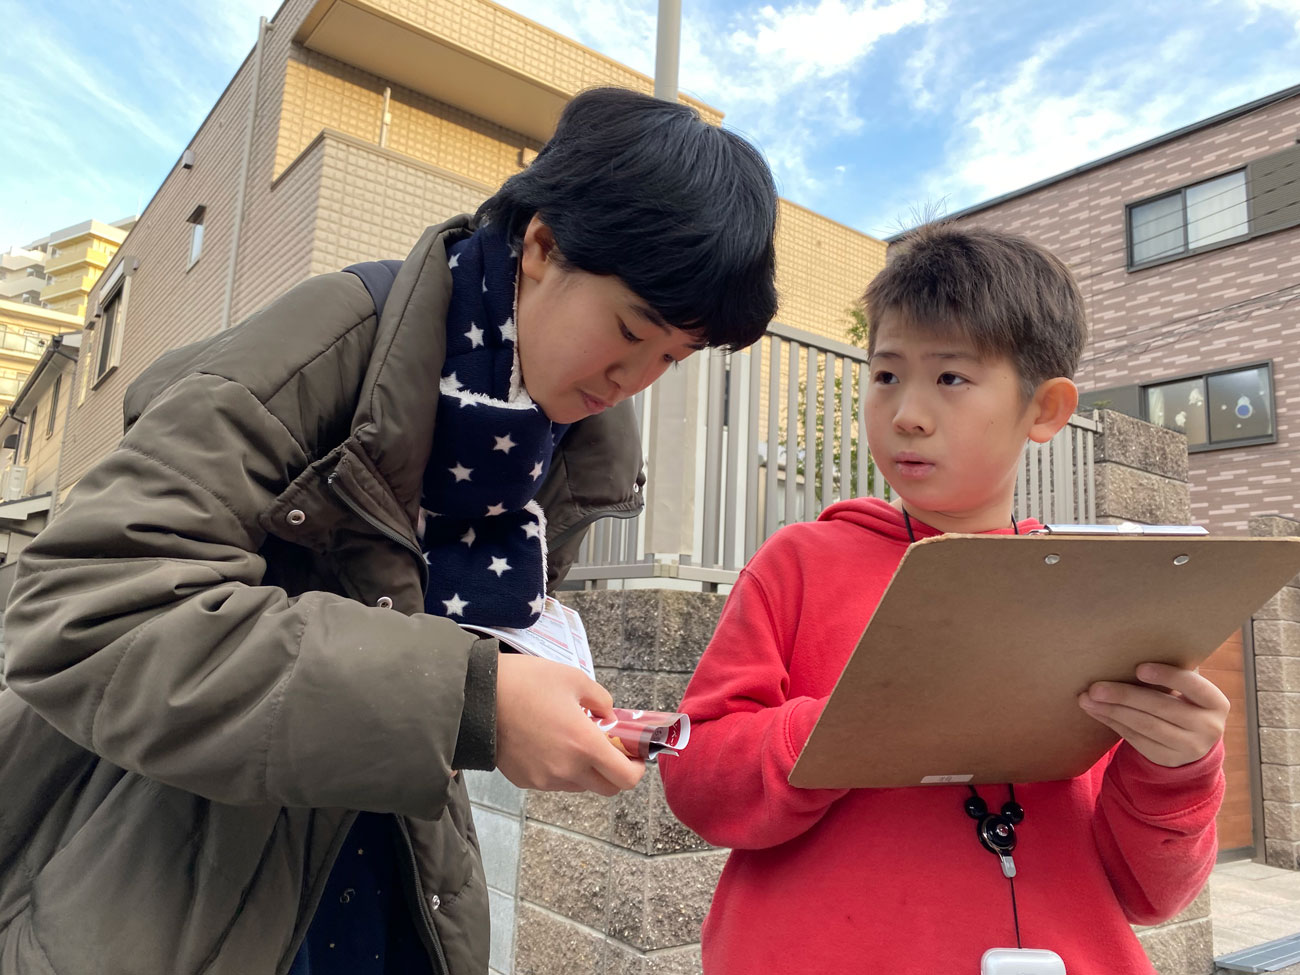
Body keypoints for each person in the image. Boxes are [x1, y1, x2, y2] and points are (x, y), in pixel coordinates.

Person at [0, 87, 778, 975]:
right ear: (542, 247)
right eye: (630, 331)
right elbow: (87, 609)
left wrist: (510, 692)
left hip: (395, 851)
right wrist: (469, 701)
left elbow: (436, 642)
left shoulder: (558, 437)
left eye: (671, 358)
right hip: (172, 863)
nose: (631, 379)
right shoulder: (328, 340)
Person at [659, 223, 1227, 974]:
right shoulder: (797, 564)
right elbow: (695, 776)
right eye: (886, 375)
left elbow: (1150, 893)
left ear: (1045, 409)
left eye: (951, 378)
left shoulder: (1096, 589)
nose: (907, 413)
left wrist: (1179, 768)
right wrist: (834, 731)